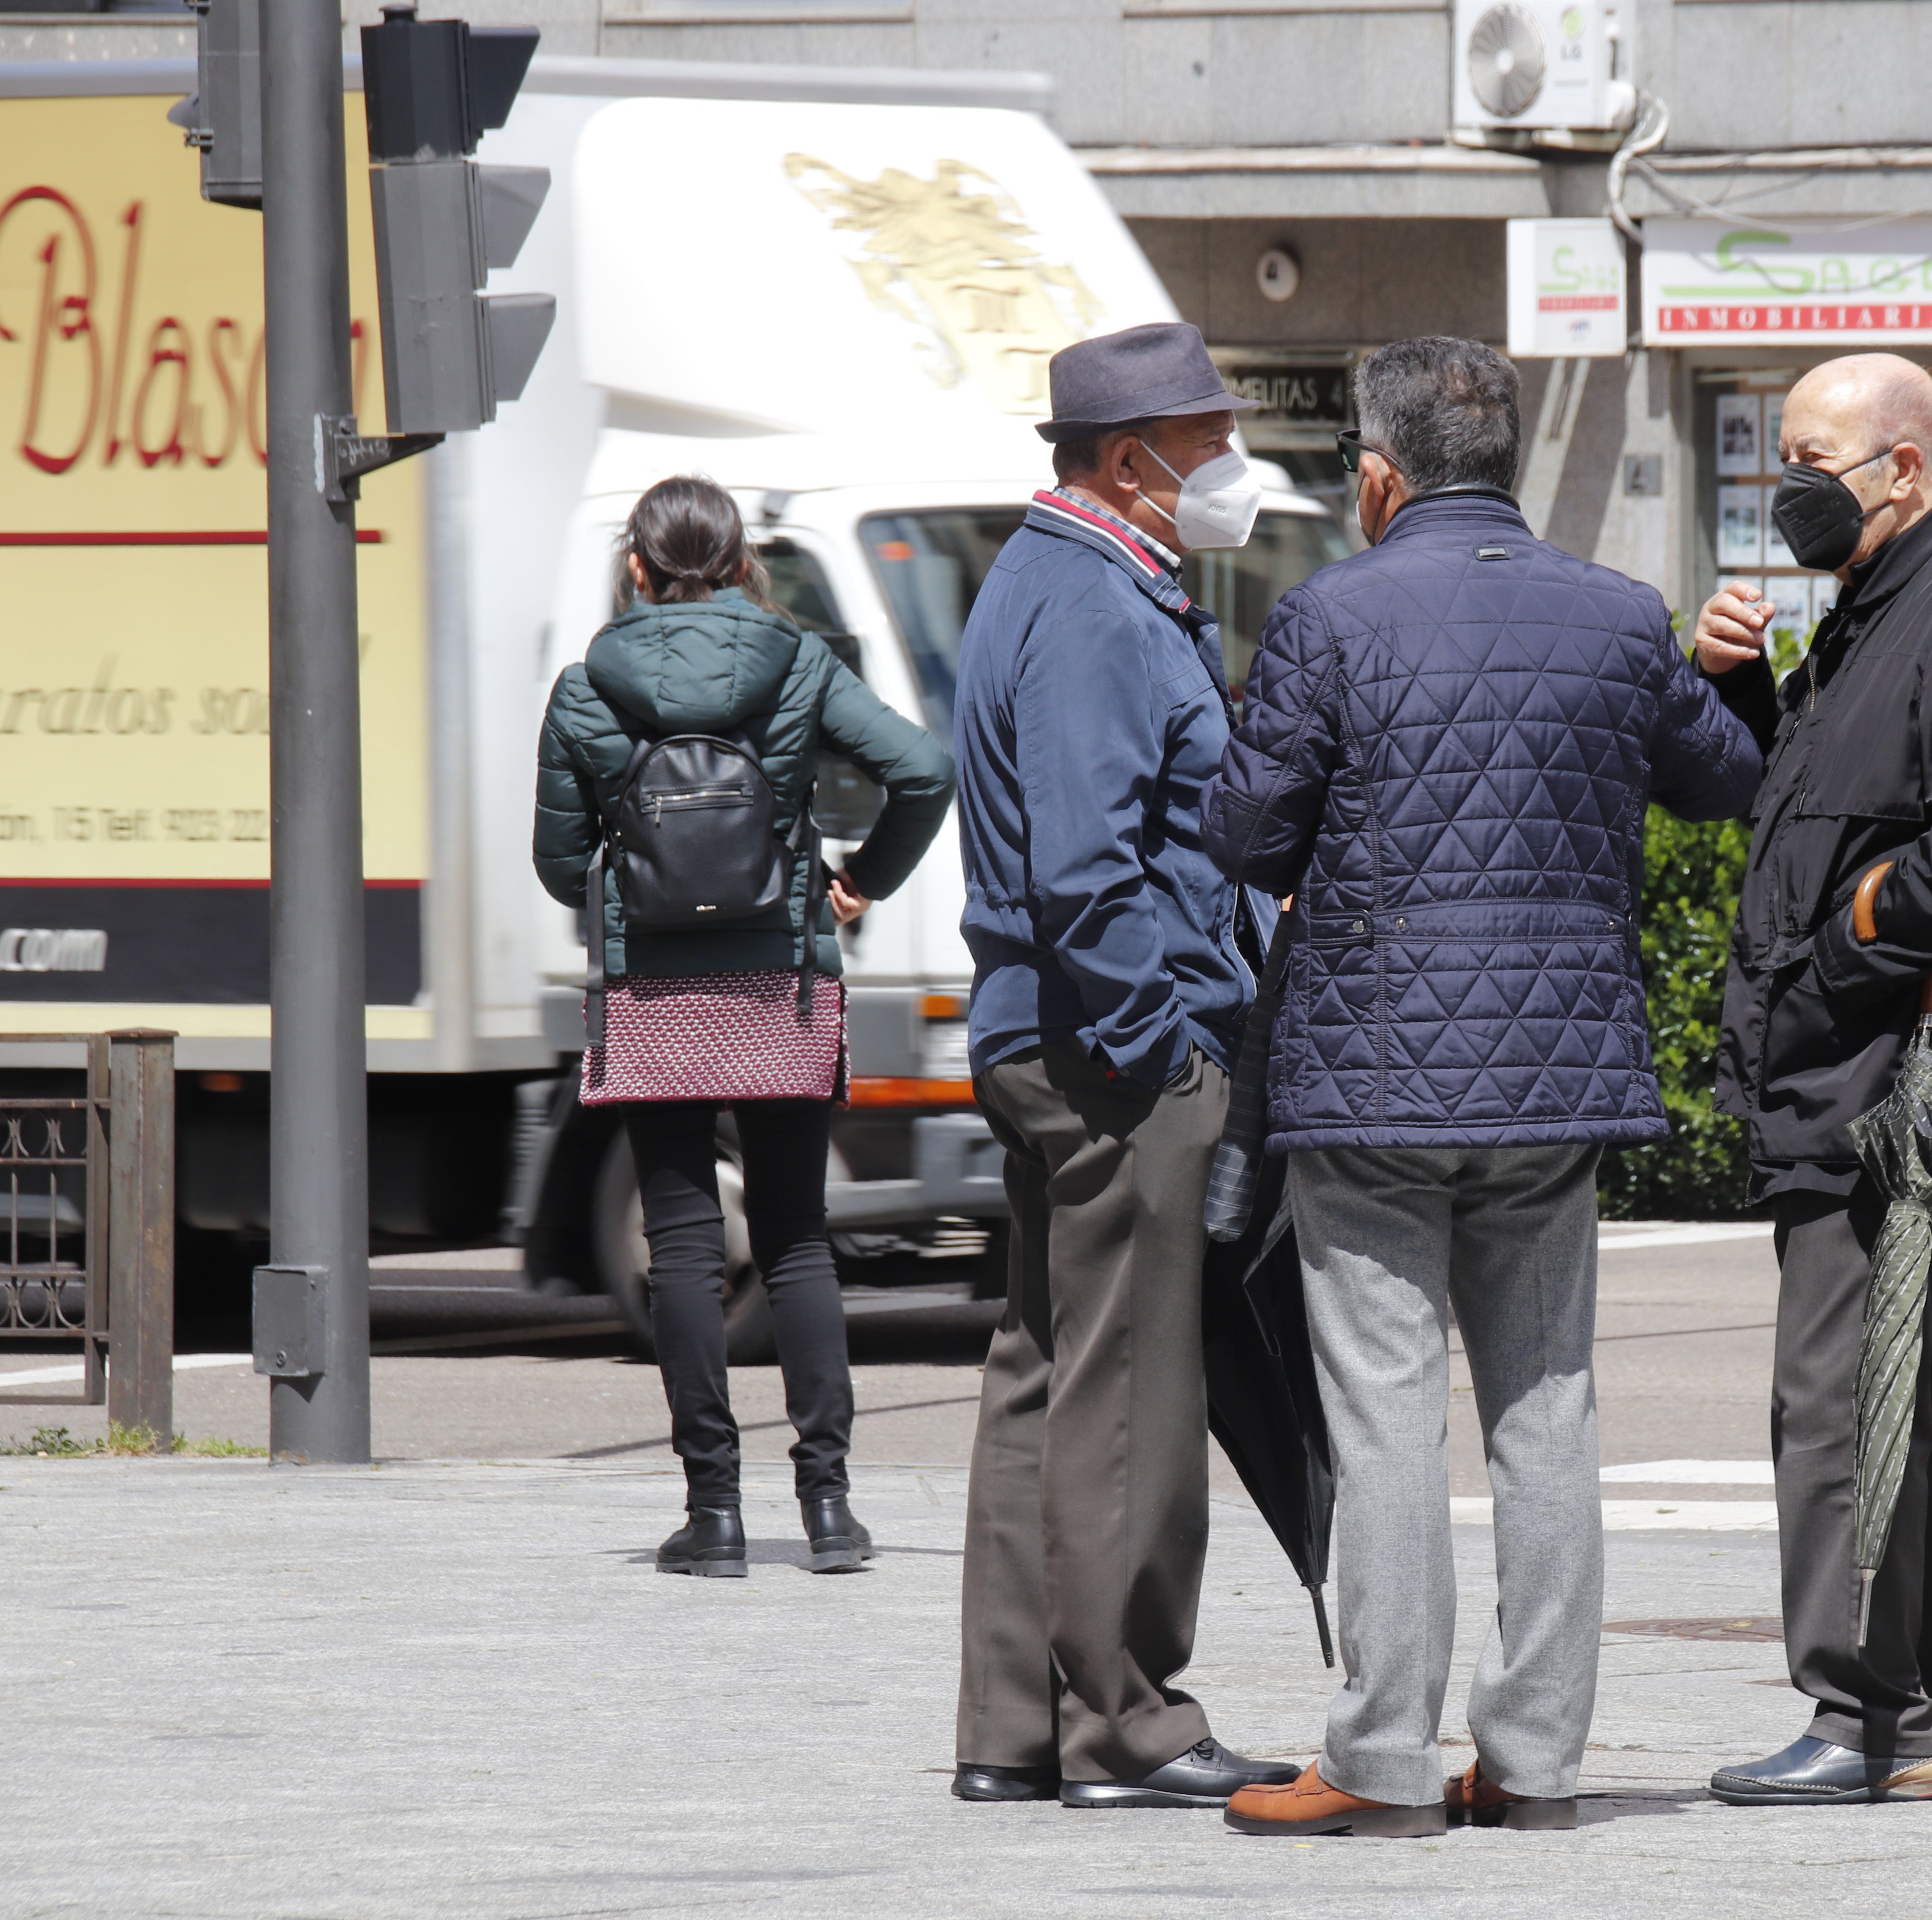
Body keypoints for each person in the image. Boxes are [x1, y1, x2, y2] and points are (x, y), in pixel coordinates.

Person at [1205, 337, 1762, 1839]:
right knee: (1548, 1414)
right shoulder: (1616, 614)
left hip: (1374, 1081)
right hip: (1557, 1075)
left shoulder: (1328, 616)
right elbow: (1722, 779)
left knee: (1386, 1417)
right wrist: (1730, 670)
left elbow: (1250, 836)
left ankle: (1382, 1758)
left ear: (1379, 476)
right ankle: (1533, 1762)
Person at [1692, 354, 1932, 1805]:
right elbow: (1800, 806)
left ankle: (1863, 1716)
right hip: (1874, 1070)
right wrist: (1730, 693)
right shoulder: (1872, 613)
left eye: (1811, 457)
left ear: (1903, 470)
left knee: (1841, 1393)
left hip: (1884, 1080)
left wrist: (1851, 936)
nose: (1782, 485)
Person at [946, 322, 1301, 1810]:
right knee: (1131, 1392)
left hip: (1049, 1033)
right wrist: (1165, 1051)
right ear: (1126, 456)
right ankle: (1127, 1724)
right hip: (1112, 1047)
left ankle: (1014, 1726)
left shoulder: (1056, 577)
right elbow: (1090, 865)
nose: (1225, 462)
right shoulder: (1093, 602)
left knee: (1042, 1374)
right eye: (1206, 437)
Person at [533, 475, 955, 1578]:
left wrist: (631, 882)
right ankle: (828, 1509)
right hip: (781, 978)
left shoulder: (586, 688)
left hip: (656, 995)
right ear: (737, 565)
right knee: (798, 1238)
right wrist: (856, 881)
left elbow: (553, 863)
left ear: (637, 567)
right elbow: (922, 768)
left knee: (680, 1250)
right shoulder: (799, 661)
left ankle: (713, 1513)